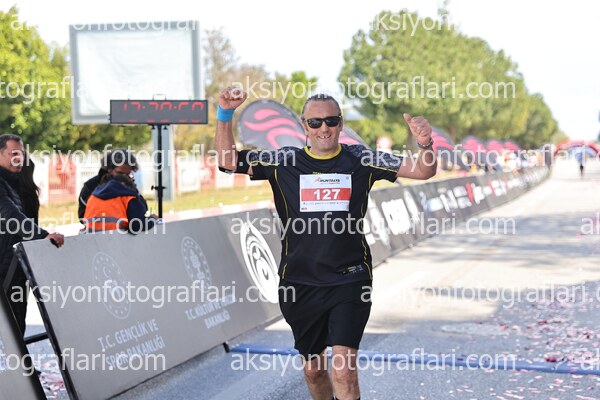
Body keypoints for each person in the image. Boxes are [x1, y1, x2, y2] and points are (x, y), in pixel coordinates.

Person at [216, 88, 436, 400]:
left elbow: (424, 170)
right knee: (314, 371)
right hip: (299, 282)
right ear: (304, 126)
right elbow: (227, 162)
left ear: (341, 124)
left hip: (350, 279)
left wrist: (425, 143)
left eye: (331, 121)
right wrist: (225, 114)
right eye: (315, 122)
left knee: (344, 371)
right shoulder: (283, 160)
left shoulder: (362, 159)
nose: (324, 128)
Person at [0, 134, 64, 334]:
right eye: (13, 154)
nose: (19, 158)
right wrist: (42, 235)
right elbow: (10, 215)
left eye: (21, 153)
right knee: (11, 322)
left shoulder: (19, 182)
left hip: (17, 262)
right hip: (5, 263)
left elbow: (27, 217)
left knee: (17, 320)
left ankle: (20, 356)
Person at [78, 148, 147, 222]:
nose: (124, 177)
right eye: (120, 173)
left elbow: (142, 208)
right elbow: (82, 214)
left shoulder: (129, 184)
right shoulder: (91, 185)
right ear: (109, 169)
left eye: (127, 174)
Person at [83, 174, 155, 233]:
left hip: (90, 241)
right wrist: (152, 219)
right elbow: (137, 225)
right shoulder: (128, 197)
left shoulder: (92, 197)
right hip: (116, 240)